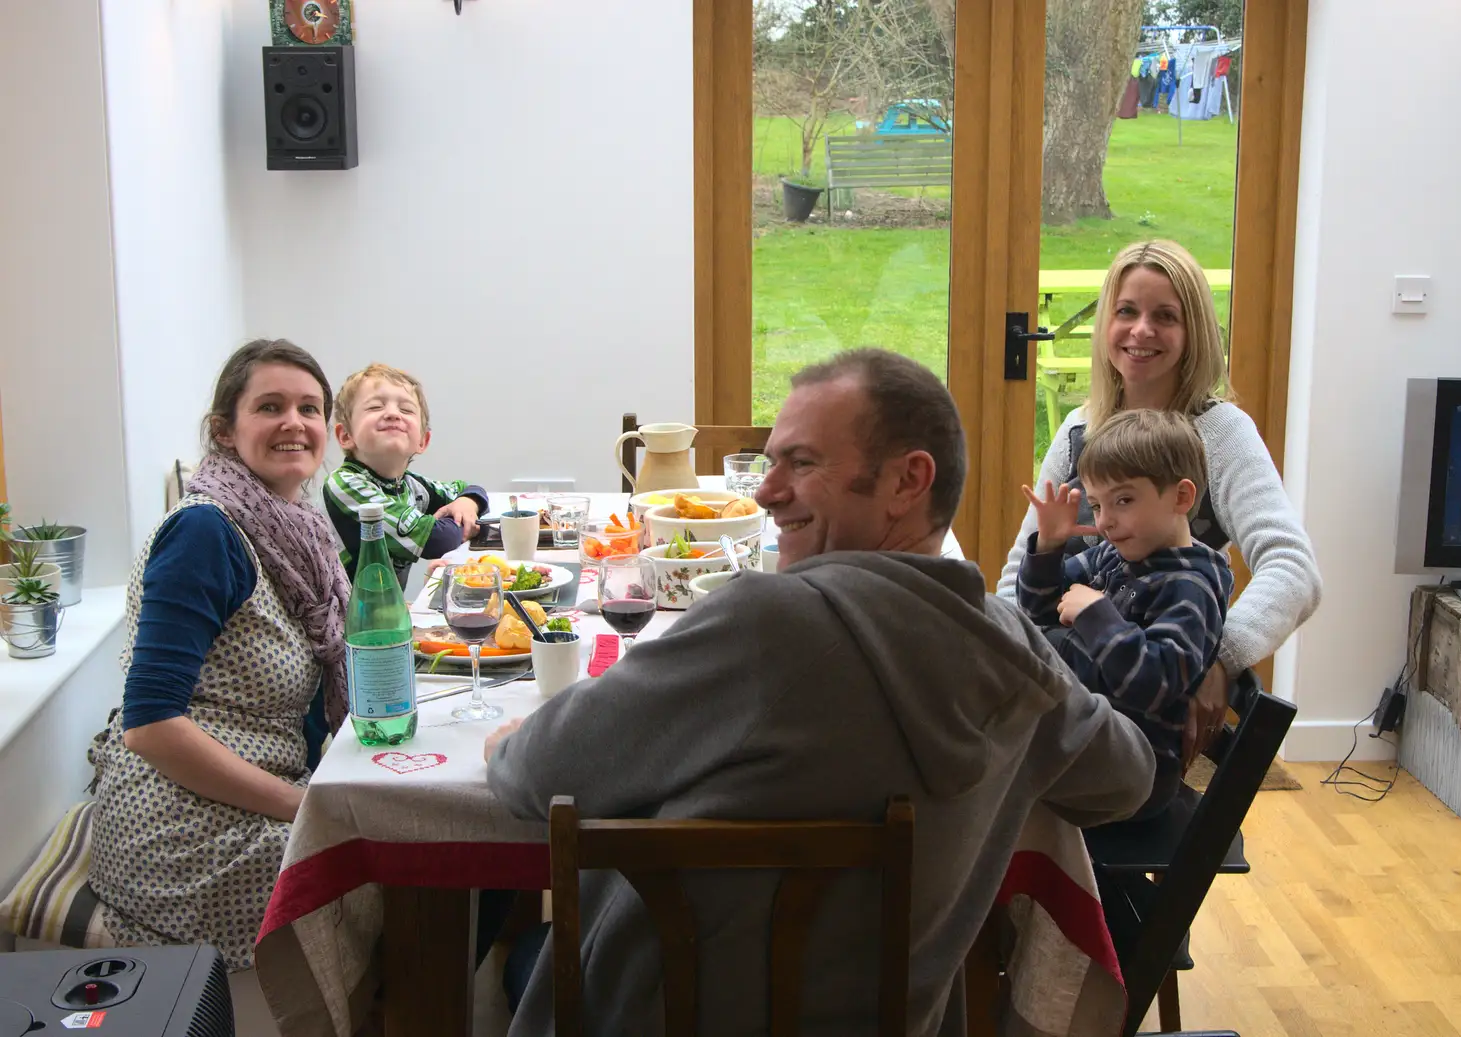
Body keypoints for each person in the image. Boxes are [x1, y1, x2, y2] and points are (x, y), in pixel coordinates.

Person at [484, 348, 1156, 1037]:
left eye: (801, 463)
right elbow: (1127, 779)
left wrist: (509, 746)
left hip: (661, 1015)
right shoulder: (1011, 651)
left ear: (908, 480)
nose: (766, 490)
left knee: (506, 965)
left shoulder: (764, 623)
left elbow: (537, 773)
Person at [999, 239, 1321, 767]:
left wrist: (1216, 661)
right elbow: (1019, 572)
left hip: (1141, 732)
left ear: (1192, 333)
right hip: (1066, 704)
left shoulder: (1221, 433)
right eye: (1126, 311)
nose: (1141, 330)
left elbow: (1294, 569)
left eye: (1165, 316)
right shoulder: (1079, 431)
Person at [88, 339, 350, 971]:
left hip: (258, 786)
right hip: (181, 824)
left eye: (309, 408)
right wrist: (304, 805)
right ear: (225, 431)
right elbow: (150, 726)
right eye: (270, 406)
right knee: (403, 864)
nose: (295, 422)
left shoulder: (295, 527)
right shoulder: (206, 532)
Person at [1017, 409, 1233, 817]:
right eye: (1097, 505)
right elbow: (1038, 610)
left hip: (1134, 772)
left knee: (988, 782)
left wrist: (1096, 614)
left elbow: (1155, 683)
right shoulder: (1115, 554)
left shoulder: (1189, 589)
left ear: (1181, 498)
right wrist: (1047, 546)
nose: (1106, 522)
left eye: (1124, 500)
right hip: (1092, 742)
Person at [322, 363, 488, 588]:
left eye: (406, 410)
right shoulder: (344, 484)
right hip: (345, 618)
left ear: (423, 441)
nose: (392, 414)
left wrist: (467, 502)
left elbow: (470, 490)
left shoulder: (411, 485)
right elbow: (437, 540)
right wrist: (463, 521)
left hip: (389, 612)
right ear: (345, 436)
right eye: (375, 407)